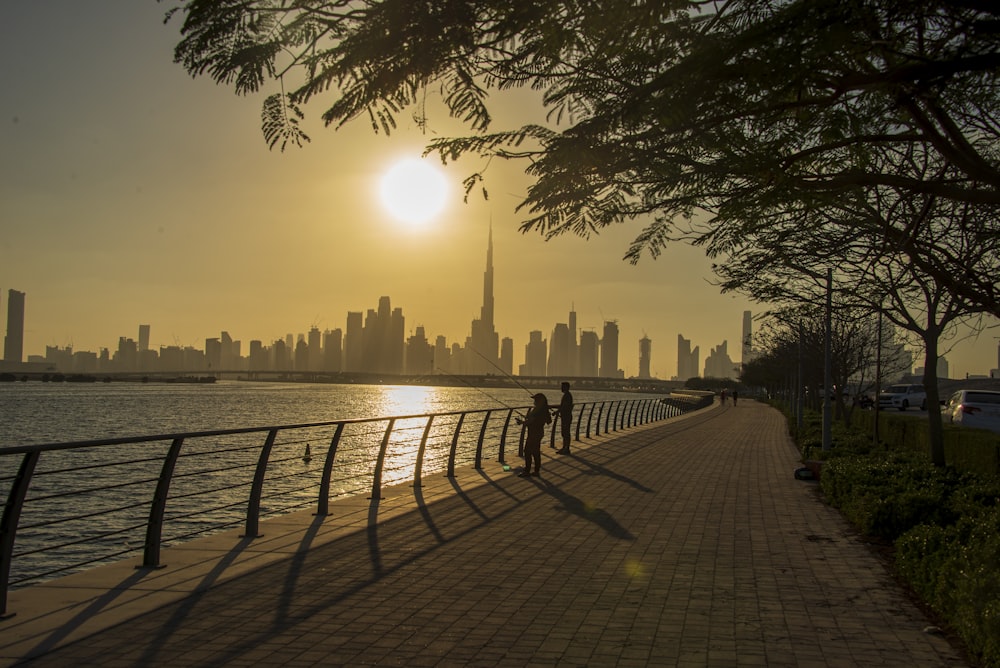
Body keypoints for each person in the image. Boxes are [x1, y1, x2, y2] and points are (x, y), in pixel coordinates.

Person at [520, 393, 551, 477]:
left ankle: (527, 471)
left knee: (527, 451)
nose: (534, 402)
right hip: (540, 432)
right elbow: (548, 421)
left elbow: (531, 421)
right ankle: (536, 471)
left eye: (535, 400)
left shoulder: (537, 410)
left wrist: (522, 422)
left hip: (533, 433)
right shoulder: (544, 410)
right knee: (536, 451)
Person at [554, 381, 574, 454]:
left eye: (562, 387)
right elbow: (562, 406)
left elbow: (564, 407)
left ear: (566, 387)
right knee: (565, 433)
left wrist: (557, 412)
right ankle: (565, 448)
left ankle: (566, 449)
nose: (561, 388)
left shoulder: (567, 396)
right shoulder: (567, 395)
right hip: (566, 416)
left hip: (566, 417)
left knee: (565, 433)